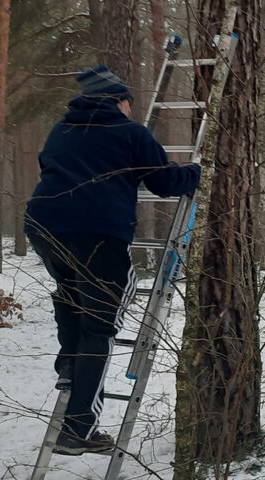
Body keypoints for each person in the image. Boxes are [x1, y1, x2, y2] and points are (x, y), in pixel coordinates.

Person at [25, 65, 201, 455]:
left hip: (44, 226)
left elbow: (50, 170)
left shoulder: (62, 130)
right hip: (98, 234)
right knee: (100, 325)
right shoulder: (130, 133)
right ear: (118, 101)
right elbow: (163, 182)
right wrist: (194, 172)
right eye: (127, 102)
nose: (129, 109)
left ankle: (69, 367)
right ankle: (77, 428)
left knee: (69, 296)